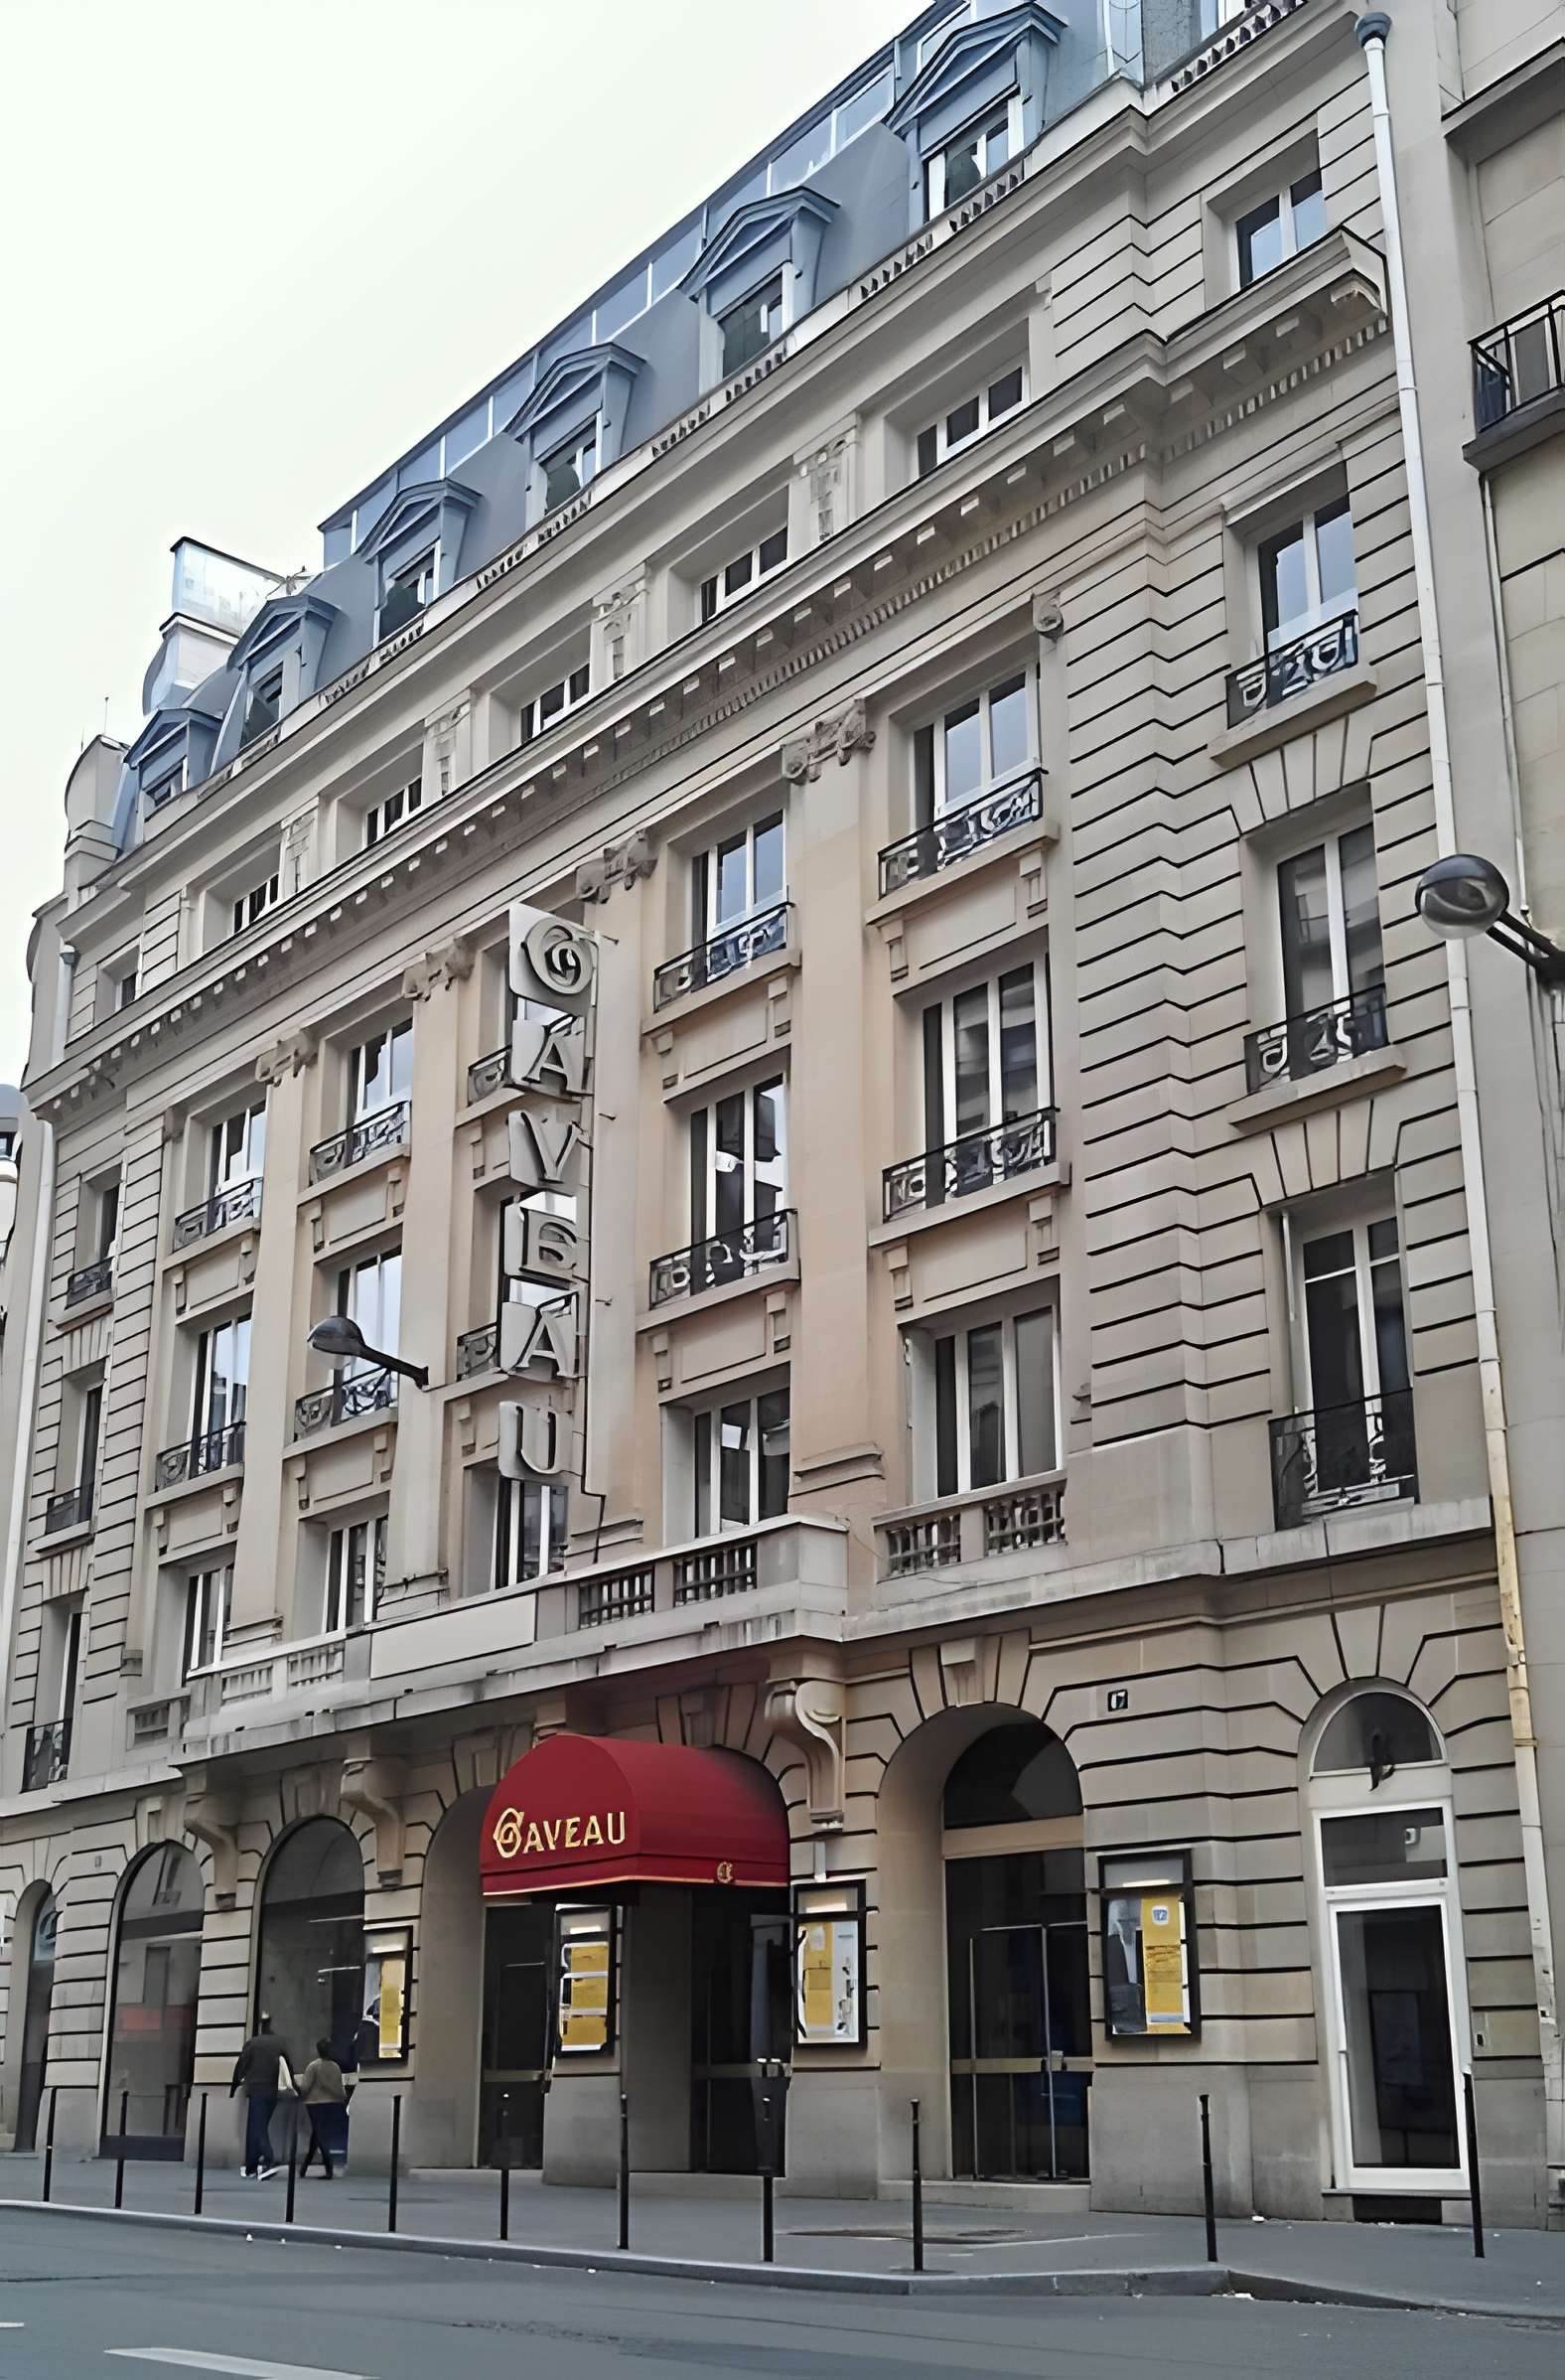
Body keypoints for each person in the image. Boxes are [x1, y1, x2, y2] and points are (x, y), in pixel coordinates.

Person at [230, 2013, 288, 2179]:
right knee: (257, 2128)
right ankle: (251, 2167)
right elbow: (287, 2067)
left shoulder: (253, 2044)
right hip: (272, 2092)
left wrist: (234, 2086)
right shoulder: (278, 2044)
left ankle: (269, 2160)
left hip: (257, 2091)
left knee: (257, 2128)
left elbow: (241, 2064)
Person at [295, 2038, 348, 2178]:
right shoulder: (335, 2067)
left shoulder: (313, 2066)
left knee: (319, 2135)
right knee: (318, 2134)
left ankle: (328, 2168)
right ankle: (304, 2169)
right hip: (332, 2103)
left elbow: (306, 2087)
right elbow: (340, 2088)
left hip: (315, 2104)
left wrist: (299, 2094)